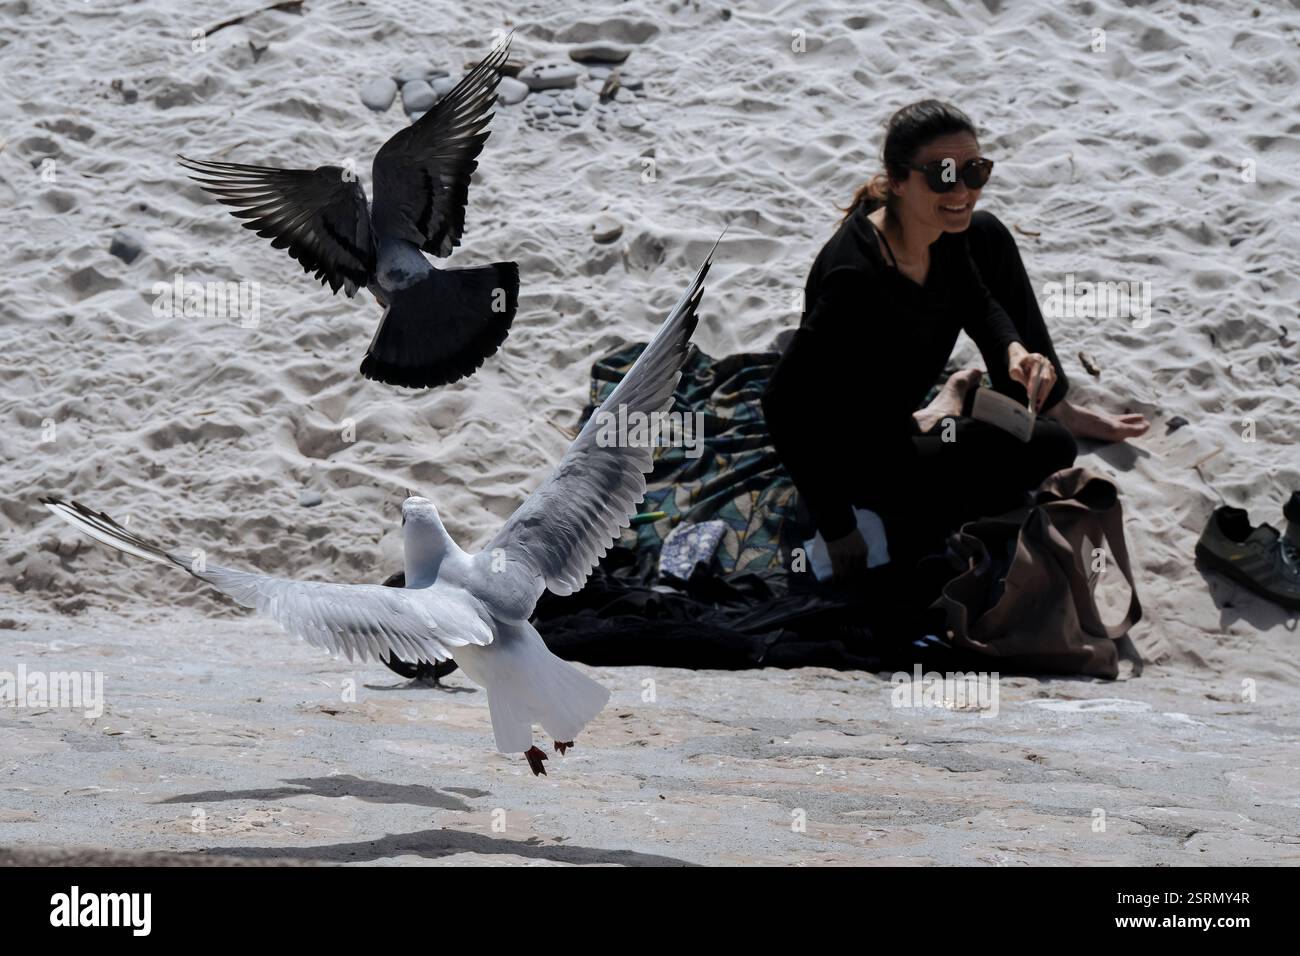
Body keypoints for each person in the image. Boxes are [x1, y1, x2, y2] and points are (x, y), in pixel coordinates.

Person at [763, 100, 1149, 586]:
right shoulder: (856, 280)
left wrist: (1015, 353)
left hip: (893, 409)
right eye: (943, 175)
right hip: (858, 457)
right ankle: (948, 407)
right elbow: (781, 403)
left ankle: (1038, 400)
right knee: (1051, 448)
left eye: (975, 170)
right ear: (899, 180)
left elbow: (980, 302)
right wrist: (836, 526)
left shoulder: (938, 230)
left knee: (987, 232)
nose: (963, 190)